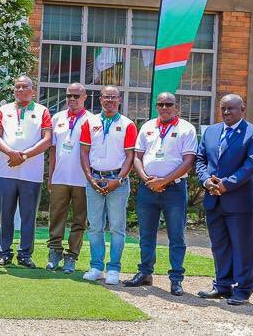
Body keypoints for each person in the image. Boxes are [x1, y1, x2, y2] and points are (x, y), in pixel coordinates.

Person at [193, 94, 253, 305]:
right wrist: (206, 181)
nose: (226, 113)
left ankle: (243, 288)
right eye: (223, 108)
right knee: (219, 245)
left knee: (243, 246)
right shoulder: (211, 132)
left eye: (231, 109)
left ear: (242, 108)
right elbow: (200, 159)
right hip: (213, 199)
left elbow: (251, 165)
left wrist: (226, 184)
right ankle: (222, 285)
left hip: (239, 201)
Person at [125, 92, 197, 296]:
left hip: (173, 189)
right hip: (148, 188)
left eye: (169, 104)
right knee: (146, 234)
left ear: (177, 107)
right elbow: (137, 157)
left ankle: (176, 279)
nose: (164, 107)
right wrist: (147, 179)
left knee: (176, 235)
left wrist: (163, 182)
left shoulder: (186, 128)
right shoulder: (148, 127)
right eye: (161, 104)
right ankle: (145, 272)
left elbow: (188, 161)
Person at [0, 75, 52, 268]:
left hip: (31, 174)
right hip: (6, 171)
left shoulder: (42, 111)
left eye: (24, 87)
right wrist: (10, 152)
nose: (20, 90)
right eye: (17, 87)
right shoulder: (4, 110)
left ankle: (25, 254)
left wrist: (23, 156)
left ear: (32, 91)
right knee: (5, 215)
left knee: (28, 216)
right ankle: (4, 252)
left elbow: (47, 139)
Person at [79, 86, 136, 285]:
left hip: (117, 182)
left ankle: (114, 269)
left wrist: (118, 180)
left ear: (119, 99)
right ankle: (96, 266)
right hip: (94, 179)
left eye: (113, 97)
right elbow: (84, 152)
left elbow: (130, 156)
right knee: (94, 227)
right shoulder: (90, 122)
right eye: (106, 97)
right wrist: (90, 178)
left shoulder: (127, 124)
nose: (109, 100)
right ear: (100, 99)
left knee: (117, 228)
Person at [45, 83, 95, 274]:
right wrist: (51, 176)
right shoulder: (57, 117)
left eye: (76, 96)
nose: (72, 99)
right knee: (56, 217)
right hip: (60, 177)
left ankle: (72, 256)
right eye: (69, 96)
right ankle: (54, 252)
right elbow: (53, 150)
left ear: (85, 98)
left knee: (79, 220)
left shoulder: (92, 120)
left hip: (82, 179)